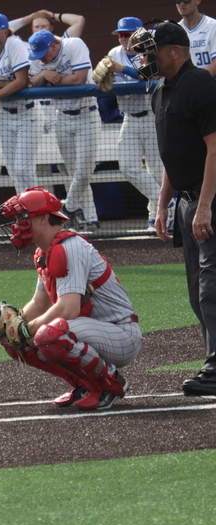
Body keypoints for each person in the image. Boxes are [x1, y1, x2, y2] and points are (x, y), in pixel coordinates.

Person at [0, 187, 140, 409]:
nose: (16, 225)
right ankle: (84, 384)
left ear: (44, 218)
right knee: (17, 342)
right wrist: (14, 326)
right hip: (93, 330)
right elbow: (39, 303)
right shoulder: (45, 253)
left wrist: (28, 328)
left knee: (50, 334)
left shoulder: (70, 247)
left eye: (22, 218)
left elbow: (69, 308)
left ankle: (111, 383)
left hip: (120, 334)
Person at [132, 21, 216, 395]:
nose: (144, 58)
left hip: (207, 199)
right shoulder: (160, 92)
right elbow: (171, 154)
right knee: (197, 290)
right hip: (186, 199)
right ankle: (213, 359)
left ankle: (215, 369)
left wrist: (205, 205)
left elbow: (215, 148)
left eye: (151, 50)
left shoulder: (200, 85)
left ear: (175, 51)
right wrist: (163, 204)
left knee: (211, 289)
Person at [28, 29, 100, 232]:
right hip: (62, 116)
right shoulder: (38, 59)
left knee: (84, 172)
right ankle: (89, 218)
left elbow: (79, 79)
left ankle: (68, 209)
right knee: (73, 172)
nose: (41, 57)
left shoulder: (73, 45)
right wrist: (43, 74)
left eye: (44, 52)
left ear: (53, 45)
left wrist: (50, 82)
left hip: (87, 113)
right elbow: (32, 83)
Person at [106, 17, 163, 233]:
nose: (123, 39)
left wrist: (122, 69)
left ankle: (155, 217)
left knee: (158, 171)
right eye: (121, 35)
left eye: (127, 35)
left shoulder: (149, 51)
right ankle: (165, 201)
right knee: (128, 167)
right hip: (128, 117)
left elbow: (150, 75)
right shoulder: (114, 53)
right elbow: (102, 82)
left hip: (150, 116)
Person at [0, 13, 39, 196]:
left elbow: (21, 81)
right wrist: (7, 88)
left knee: (23, 169)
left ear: (5, 32)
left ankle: (38, 211)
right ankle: (28, 213)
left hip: (28, 112)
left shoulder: (14, 44)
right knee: (13, 169)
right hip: (5, 112)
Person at [177, 0, 216, 76]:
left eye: (186, 0)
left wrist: (197, 81)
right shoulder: (175, 30)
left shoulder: (213, 26)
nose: (182, 4)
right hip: (185, 84)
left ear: (198, 1)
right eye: (178, 0)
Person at [9, 10, 86, 38]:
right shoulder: (26, 48)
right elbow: (2, 31)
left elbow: (79, 20)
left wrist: (53, 15)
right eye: (36, 27)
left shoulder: (62, 43)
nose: (40, 30)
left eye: (44, 26)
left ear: (51, 28)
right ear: (32, 29)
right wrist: (28, 18)